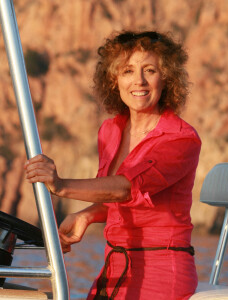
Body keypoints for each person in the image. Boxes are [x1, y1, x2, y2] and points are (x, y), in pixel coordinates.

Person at [24, 30, 201, 300]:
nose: (138, 81)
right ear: (113, 80)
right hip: (114, 266)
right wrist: (87, 215)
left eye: (150, 70)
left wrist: (60, 185)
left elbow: (126, 190)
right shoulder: (111, 130)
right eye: (128, 71)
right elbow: (112, 198)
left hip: (162, 272)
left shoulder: (180, 139)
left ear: (166, 78)